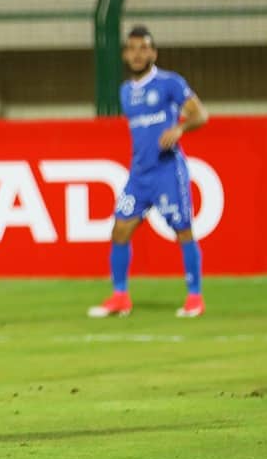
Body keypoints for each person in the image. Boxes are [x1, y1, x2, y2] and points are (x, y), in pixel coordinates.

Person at [88, 25, 209, 319]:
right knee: (120, 230)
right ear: (125, 55)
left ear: (153, 53)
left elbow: (200, 114)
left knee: (183, 230)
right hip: (139, 176)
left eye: (143, 48)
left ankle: (195, 297)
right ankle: (120, 297)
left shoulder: (170, 83)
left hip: (168, 171)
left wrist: (179, 129)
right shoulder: (125, 92)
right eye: (132, 49)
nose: (137, 54)